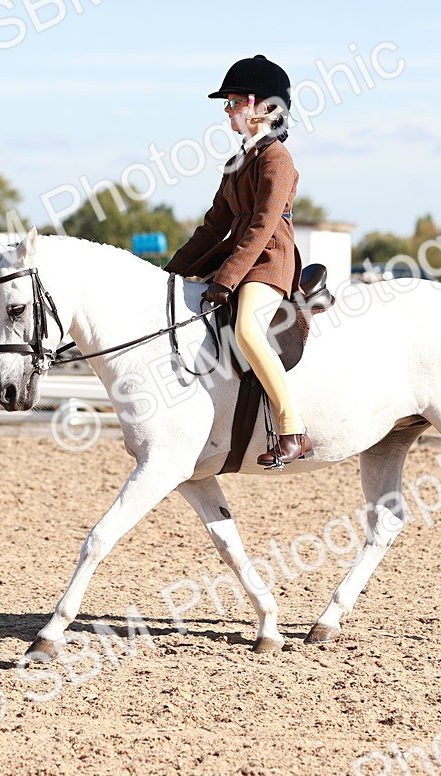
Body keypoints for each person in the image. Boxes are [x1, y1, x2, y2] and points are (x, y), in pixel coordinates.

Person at [165, 55, 312, 467]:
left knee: (247, 328)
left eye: (233, 102)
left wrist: (226, 281)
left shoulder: (277, 159)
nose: (228, 111)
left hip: (268, 262)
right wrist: (169, 274)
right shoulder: (237, 163)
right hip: (239, 260)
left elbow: (262, 226)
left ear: (263, 107)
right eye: (228, 104)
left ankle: (291, 428)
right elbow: (213, 228)